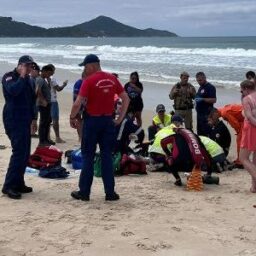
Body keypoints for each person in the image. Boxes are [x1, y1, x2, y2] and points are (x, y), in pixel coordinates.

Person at [69, 54, 129, 201]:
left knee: (88, 156)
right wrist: (119, 118)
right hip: (108, 121)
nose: (84, 69)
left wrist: (72, 117)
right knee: (107, 156)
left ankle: (84, 192)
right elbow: (125, 98)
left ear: (92, 65)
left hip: (92, 122)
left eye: (85, 66)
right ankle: (110, 193)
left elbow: (78, 103)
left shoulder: (88, 81)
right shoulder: (112, 78)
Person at [1, 55, 37, 199]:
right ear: (20, 65)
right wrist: (22, 77)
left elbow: (31, 100)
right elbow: (13, 91)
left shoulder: (28, 79)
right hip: (13, 119)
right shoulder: (9, 77)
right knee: (18, 152)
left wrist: (34, 118)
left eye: (31, 66)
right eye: (27, 66)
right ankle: (8, 186)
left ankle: (19, 182)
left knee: (25, 153)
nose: (29, 69)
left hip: (25, 119)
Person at [239, 80, 256, 193]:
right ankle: (254, 187)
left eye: (242, 90)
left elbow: (249, 117)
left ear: (245, 88)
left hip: (251, 129)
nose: (241, 92)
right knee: (255, 160)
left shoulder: (247, 99)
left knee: (243, 158)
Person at [47, 64, 67, 143]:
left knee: (46, 120)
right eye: (53, 70)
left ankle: (47, 137)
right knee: (55, 120)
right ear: (50, 70)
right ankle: (57, 138)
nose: (54, 72)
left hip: (46, 101)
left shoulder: (43, 78)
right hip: (53, 101)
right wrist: (64, 85)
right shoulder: (52, 79)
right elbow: (58, 89)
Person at [36, 65, 55, 146]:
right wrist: (43, 100)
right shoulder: (40, 79)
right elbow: (37, 90)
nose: (50, 75)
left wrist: (49, 81)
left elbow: (48, 90)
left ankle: (46, 139)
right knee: (43, 122)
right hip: (43, 104)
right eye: (49, 73)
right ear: (45, 71)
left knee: (48, 121)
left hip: (47, 103)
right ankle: (42, 141)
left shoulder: (45, 79)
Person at [195, 72, 217, 136]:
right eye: (197, 81)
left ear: (204, 78)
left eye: (200, 80)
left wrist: (203, 99)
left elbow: (214, 100)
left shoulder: (210, 87)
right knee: (199, 132)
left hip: (206, 114)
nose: (199, 82)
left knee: (206, 132)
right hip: (199, 114)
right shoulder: (201, 87)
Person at [73, 71, 86, 141]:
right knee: (79, 120)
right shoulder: (79, 83)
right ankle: (80, 137)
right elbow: (76, 96)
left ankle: (83, 136)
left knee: (84, 121)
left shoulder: (86, 82)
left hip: (85, 105)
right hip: (79, 105)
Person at [30, 62, 40, 138]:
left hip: (34, 101)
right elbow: (35, 92)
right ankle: (32, 133)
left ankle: (32, 132)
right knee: (33, 117)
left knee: (34, 117)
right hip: (32, 102)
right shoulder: (32, 79)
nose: (32, 72)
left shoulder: (35, 79)